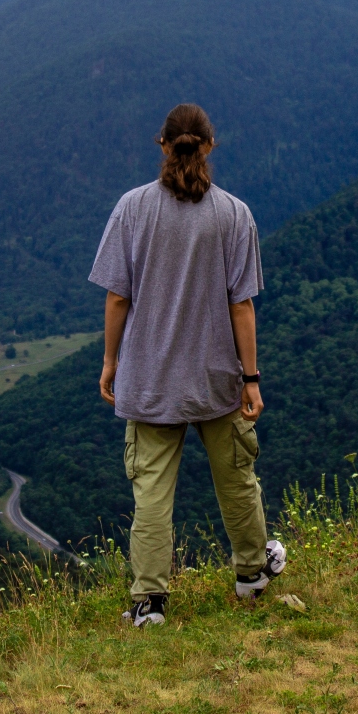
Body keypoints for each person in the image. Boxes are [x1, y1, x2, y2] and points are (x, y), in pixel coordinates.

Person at [88, 103, 286, 628]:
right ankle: (251, 575)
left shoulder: (132, 209)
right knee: (237, 477)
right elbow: (241, 305)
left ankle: (149, 602)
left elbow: (116, 299)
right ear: (210, 147)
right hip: (216, 378)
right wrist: (251, 378)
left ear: (162, 145)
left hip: (150, 379)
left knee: (151, 493)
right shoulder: (234, 214)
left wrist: (111, 363)